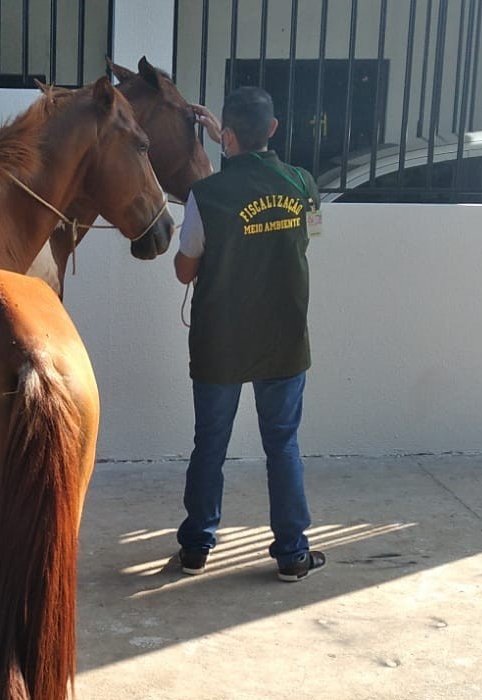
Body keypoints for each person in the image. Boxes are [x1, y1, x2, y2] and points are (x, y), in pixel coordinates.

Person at [174, 87, 324, 582]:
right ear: (275, 130)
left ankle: (196, 547)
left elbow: (184, 270)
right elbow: (309, 237)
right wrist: (234, 141)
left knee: (210, 442)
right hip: (283, 338)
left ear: (229, 135)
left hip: (220, 341)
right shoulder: (302, 183)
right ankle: (292, 554)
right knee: (282, 443)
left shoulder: (205, 195)